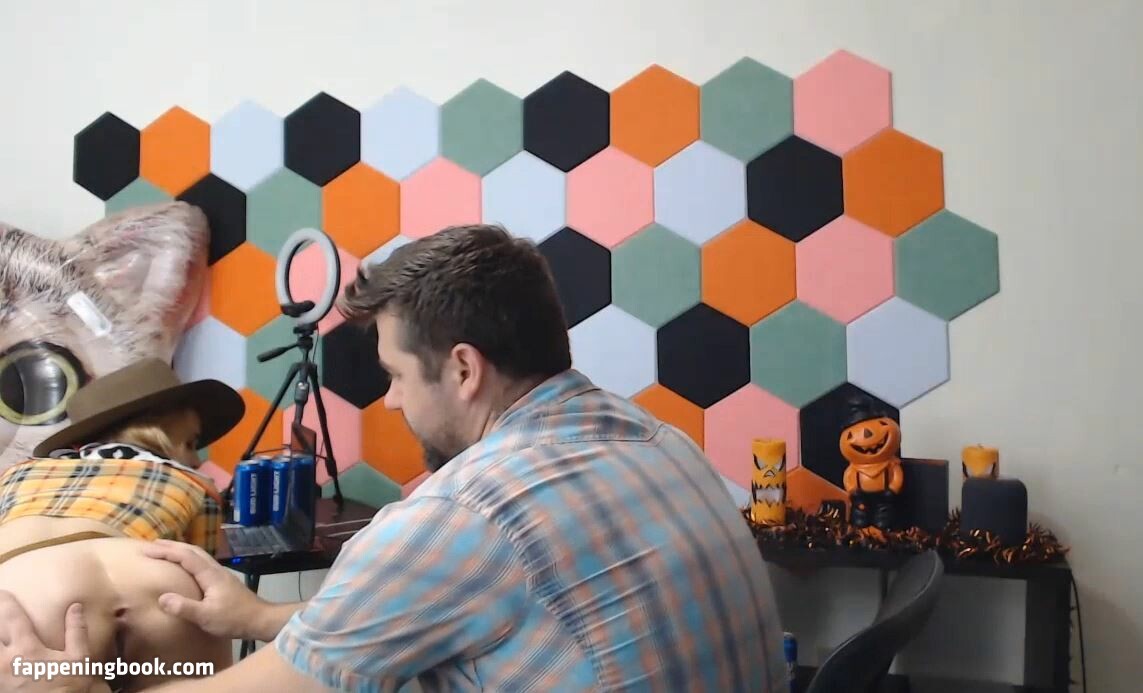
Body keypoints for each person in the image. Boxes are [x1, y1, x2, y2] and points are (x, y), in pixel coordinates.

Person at [0, 224, 788, 692]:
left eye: (395, 375)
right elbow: (452, 605)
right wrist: (261, 618)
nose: (388, 402)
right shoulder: (654, 439)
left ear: (464, 368)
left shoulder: (462, 514)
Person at [0, 357, 246, 691]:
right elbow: (202, 569)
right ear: (154, 438)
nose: (195, 459)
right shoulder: (192, 481)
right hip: (158, 583)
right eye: (189, 443)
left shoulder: (19, 473)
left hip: (32, 590)